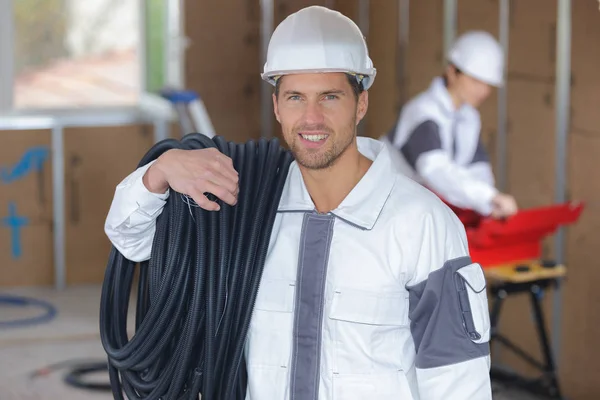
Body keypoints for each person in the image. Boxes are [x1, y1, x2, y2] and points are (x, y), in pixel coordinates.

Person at [104, 6, 492, 400]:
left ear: (361, 104)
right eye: (294, 97)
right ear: (276, 107)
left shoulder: (422, 224)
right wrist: (159, 173)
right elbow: (130, 240)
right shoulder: (244, 210)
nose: (311, 118)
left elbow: (459, 381)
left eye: (329, 97)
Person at [383, 30, 518, 219]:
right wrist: (488, 196)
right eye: (475, 81)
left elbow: (477, 168)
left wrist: (489, 202)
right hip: (388, 207)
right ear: (452, 72)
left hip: (417, 209)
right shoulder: (424, 112)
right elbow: (435, 169)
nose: (483, 91)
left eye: (488, 84)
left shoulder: (468, 117)